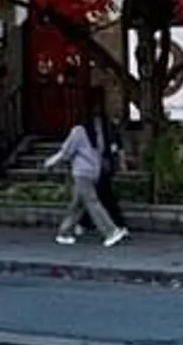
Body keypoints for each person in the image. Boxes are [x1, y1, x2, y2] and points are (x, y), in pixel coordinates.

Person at [43, 103, 128, 247]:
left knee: (91, 202)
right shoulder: (97, 133)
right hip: (94, 171)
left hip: (82, 172)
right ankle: (64, 232)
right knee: (78, 204)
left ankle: (110, 231)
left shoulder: (78, 131)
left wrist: (50, 162)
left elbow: (66, 152)